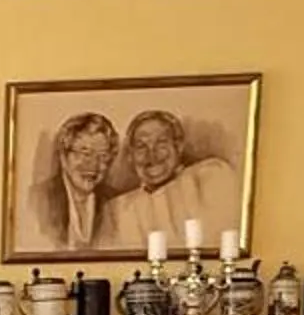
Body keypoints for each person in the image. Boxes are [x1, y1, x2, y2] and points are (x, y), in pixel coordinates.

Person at [102, 108, 241, 250]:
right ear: (131, 155)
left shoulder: (209, 176)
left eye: (161, 143)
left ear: (178, 146)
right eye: (141, 146)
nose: (152, 155)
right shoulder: (117, 209)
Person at [25, 111, 120, 253]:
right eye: (85, 153)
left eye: (102, 156)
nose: (93, 165)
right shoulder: (39, 199)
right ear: (64, 156)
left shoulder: (115, 202)